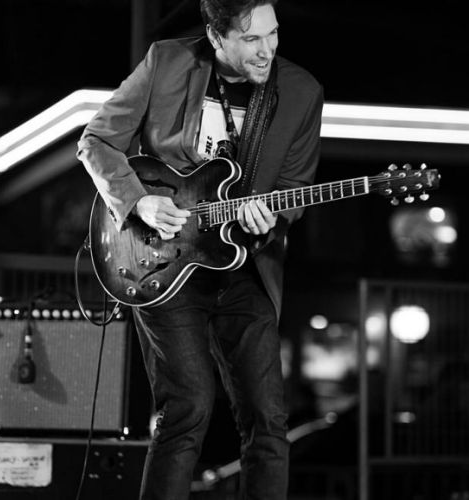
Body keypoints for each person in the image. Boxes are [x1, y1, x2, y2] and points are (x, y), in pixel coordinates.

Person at [77, 0, 323, 498]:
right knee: (186, 409)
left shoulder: (301, 91)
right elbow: (96, 140)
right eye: (251, 39)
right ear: (216, 37)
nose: (267, 50)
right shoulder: (166, 61)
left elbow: (295, 186)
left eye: (273, 34)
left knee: (268, 418)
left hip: (245, 265)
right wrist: (138, 201)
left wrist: (273, 217)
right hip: (161, 259)